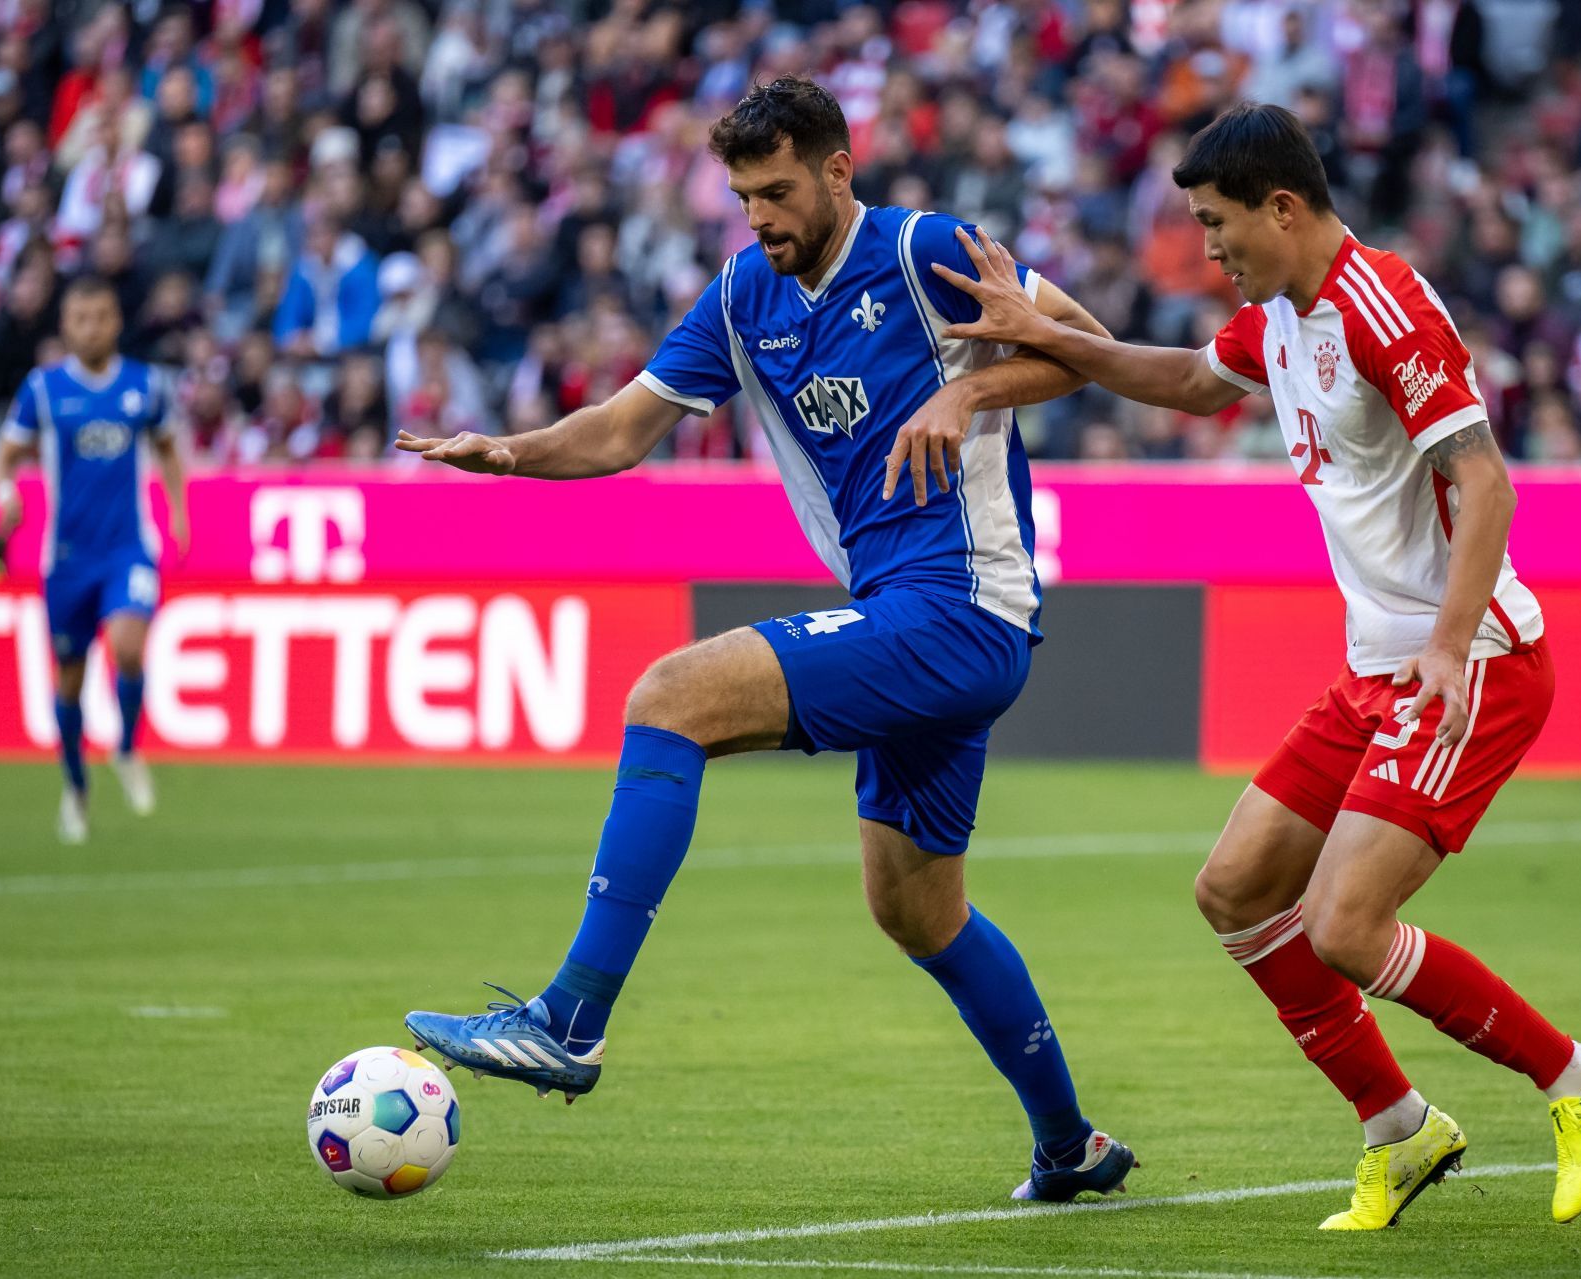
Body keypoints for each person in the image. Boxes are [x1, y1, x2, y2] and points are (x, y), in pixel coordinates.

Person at [397, 78, 1138, 1203]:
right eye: (745, 197)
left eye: (780, 192)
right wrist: (513, 451)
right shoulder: (748, 292)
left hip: (962, 604)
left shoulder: (926, 251)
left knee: (671, 695)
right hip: (910, 614)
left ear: (841, 170)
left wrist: (965, 396)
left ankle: (570, 1019)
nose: (761, 218)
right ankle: (1071, 1145)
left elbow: (1097, 351)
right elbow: (622, 429)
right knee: (916, 907)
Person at [907, 102, 1581, 1229]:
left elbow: (1488, 482)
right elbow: (1190, 381)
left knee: (1344, 925)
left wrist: (1446, 645)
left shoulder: (1384, 308)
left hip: (1472, 658)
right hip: (1376, 668)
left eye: (1216, 223)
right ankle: (1399, 1127)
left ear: (1282, 207)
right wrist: (1048, 335)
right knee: (1237, 888)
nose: (1207, 248)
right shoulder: (1277, 321)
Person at [0, 277, 189, 845]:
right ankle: (76, 788)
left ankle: (125, 746)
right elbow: (3, 459)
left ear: (116, 322)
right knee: (71, 683)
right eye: (80, 318)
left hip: (129, 546)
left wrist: (178, 511)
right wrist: (6, 498)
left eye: (101, 316)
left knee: (128, 646)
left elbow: (170, 449)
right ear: (65, 326)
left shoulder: (145, 386)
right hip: (68, 557)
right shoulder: (43, 390)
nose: (91, 327)